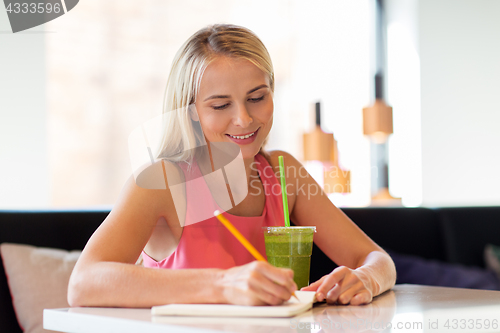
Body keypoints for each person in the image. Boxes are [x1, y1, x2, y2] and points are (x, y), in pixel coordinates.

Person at [68, 24, 396, 308]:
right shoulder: (163, 182)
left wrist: (365, 279)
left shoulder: (283, 173)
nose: (244, 118)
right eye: (221, 104)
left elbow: (377, 260)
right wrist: (224, 285)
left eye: (257, 98)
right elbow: (83, 283)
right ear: (190, 111)